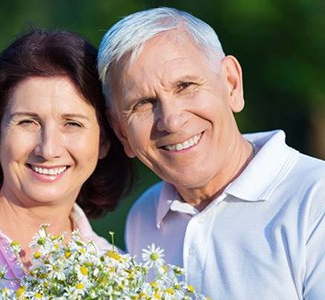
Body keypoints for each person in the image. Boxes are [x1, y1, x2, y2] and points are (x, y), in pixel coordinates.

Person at [97, 7, 325, 299]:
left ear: (231, 83)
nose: (171, 120)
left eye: (185, 86)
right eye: (143, 103)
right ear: (120, 132)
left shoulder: (315, 200)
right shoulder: (143, 217)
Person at [0, 28, 132, 299]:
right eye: (27, 122)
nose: (48, 149)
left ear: (104, 141)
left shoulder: (117, 272)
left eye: (72, 123)